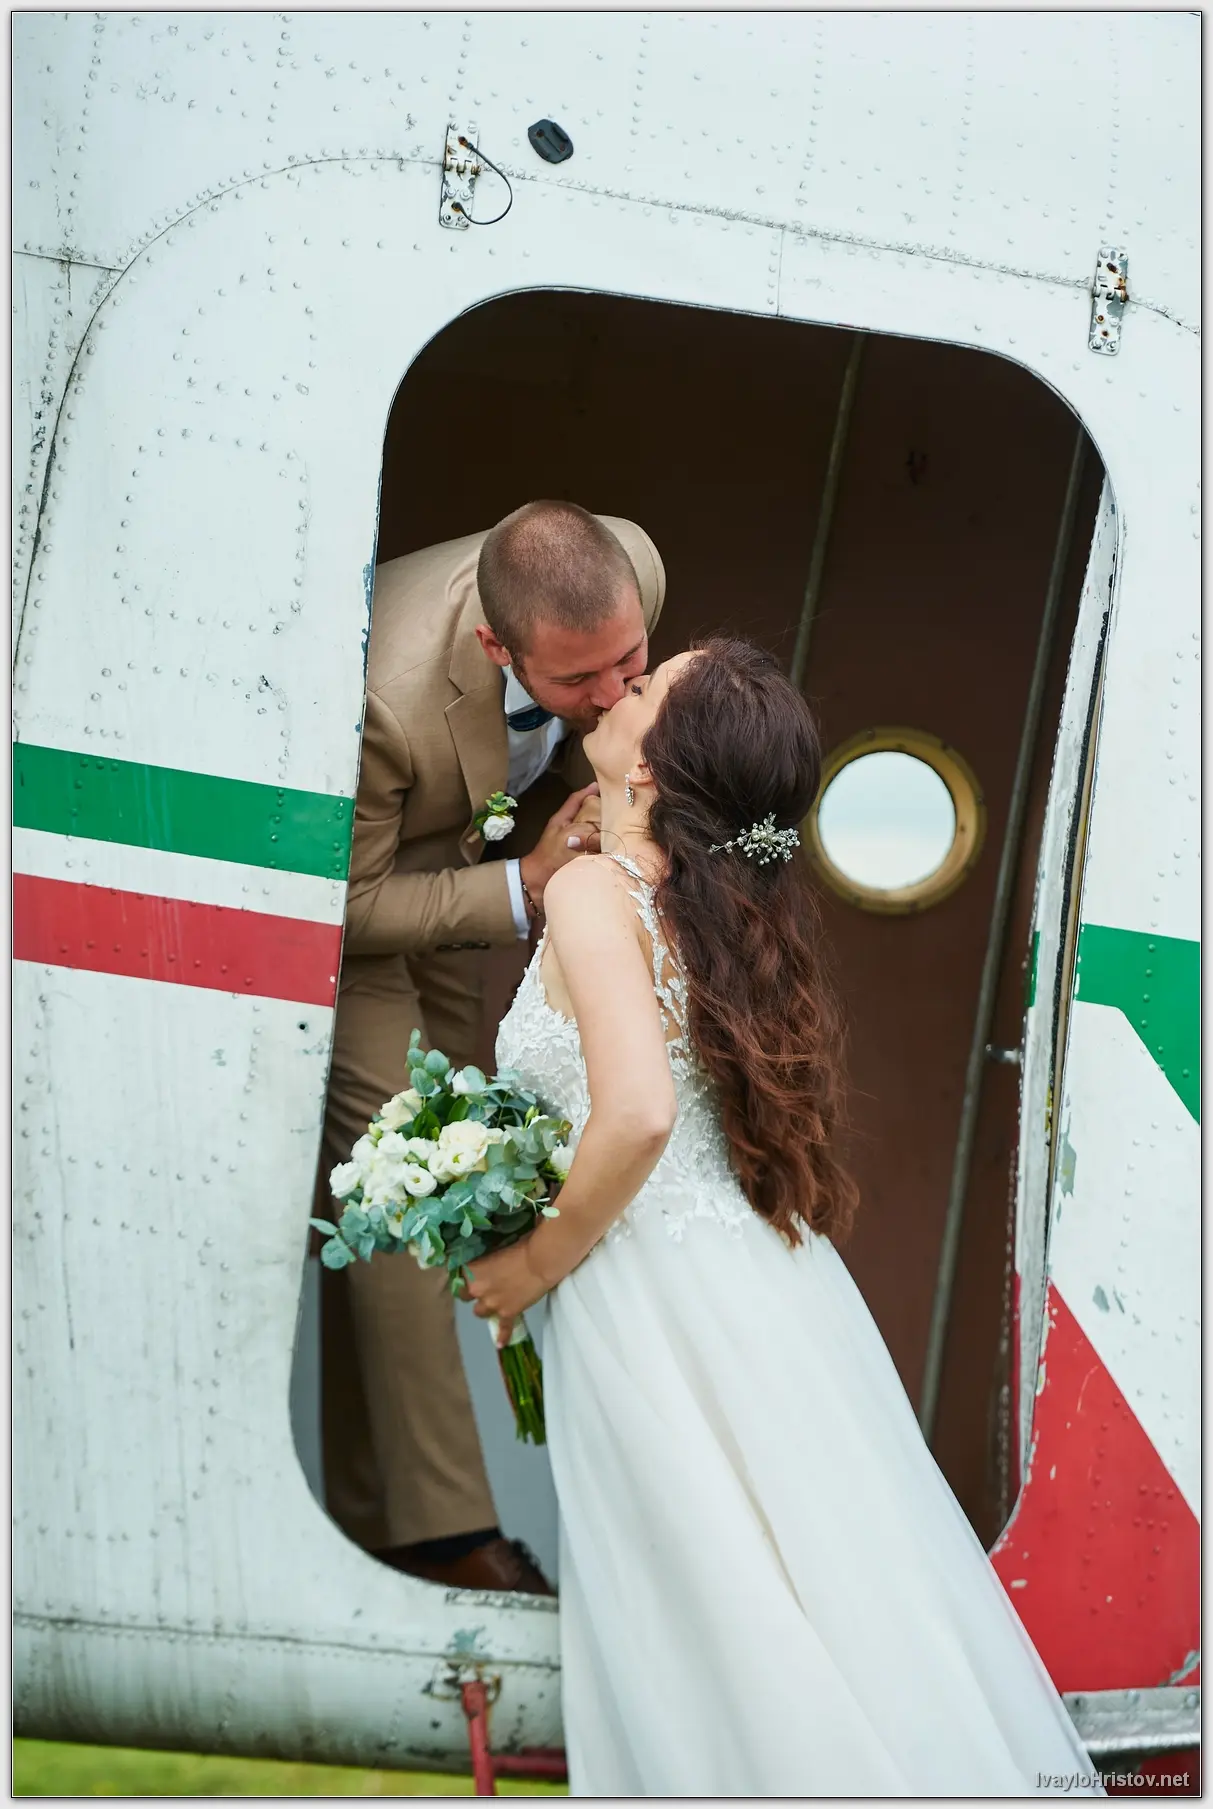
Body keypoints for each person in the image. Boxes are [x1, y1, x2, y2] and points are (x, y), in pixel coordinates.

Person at [464, 637, 1107, 1794]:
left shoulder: (596, 894)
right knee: (811, 1606)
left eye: (643, 688)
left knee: (704, 1630)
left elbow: (639, 1114)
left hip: (648, 1302)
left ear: (651, 767)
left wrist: (533, 1264)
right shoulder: (711, 912)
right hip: (764, 1291)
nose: (618, 689)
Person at [317, 501, 665, 1594]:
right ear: (493, 644)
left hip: (469, 891)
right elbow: (341, 902)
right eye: (579, 680)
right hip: (372, 910)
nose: (613, 694)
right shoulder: (384, 697)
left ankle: (378, 1510)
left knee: (469, 1180)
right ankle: (445, 1533)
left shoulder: (630, 573)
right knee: (408, 1188)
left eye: (629, 662)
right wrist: (526, 882)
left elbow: (594, 718)